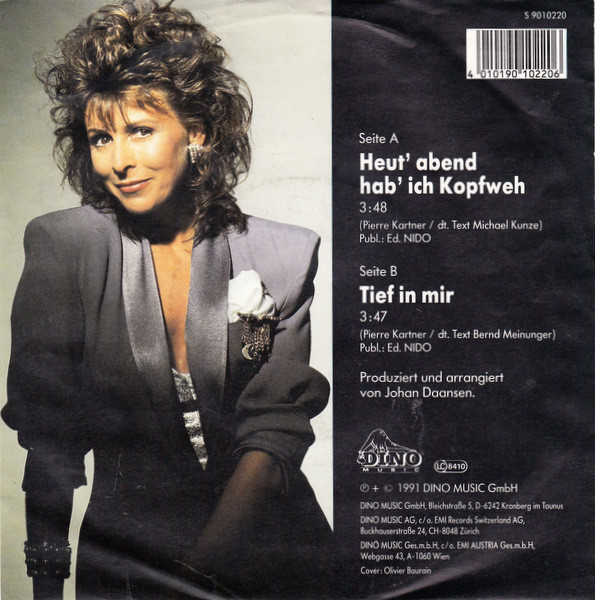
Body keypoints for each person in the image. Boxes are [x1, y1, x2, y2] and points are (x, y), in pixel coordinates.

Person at [2, 1, 332, 598]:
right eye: (101, 138)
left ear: (197, 133)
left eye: (140, 130)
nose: (119, 161)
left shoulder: (281, 254)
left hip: (275, 563)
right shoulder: (65, 249)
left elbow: (273, 437)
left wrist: (193, 580)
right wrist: (46, 586)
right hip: (127, 570)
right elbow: (50, 444)